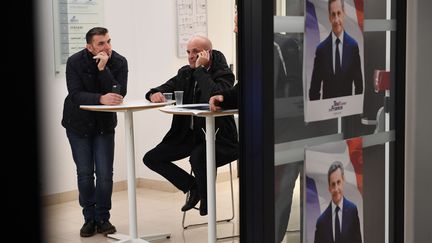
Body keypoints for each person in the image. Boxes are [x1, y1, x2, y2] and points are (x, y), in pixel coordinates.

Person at [143, 35, 238, 216]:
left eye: (195, 52)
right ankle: (192, 187)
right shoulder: (185, 73)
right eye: (188, 52)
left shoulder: (223, 73)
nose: (191, 56)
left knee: (199, 155)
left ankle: (206, 202)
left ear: (207, 53)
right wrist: (154, 93)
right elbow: (164, 87)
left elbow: (217, 95)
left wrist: (201, 70)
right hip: (188, 136)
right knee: (152, 158)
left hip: (220, 138)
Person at [61, 27, 128, 237]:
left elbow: (119, 93)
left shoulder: (119, 61)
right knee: (85, 174)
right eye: (101, 44)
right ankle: (89, 218)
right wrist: (100, 98)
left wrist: (103, 69)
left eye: (108, 41)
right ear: (89, 46)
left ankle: (103, 217)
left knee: (105, 174)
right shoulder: (74, 62)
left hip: (104, 126)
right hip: (78, 125)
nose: (107, 47)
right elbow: (75, 94)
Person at [309, 0, 363, 100]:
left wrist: (354, 112)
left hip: (347, 112)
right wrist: (318, 113)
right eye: (333, 15)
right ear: (329, 17)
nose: (336, 19)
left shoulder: (353, 47)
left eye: (339, 13)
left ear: (344, 14)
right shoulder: (321, 50)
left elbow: (359, 86)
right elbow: (314, 89)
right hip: (327, 113)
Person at [314, 161, 362, 243]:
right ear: (329, 188)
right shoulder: (321, 222)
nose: (336, 189)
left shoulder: (352, 211)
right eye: (333, 184)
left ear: (343, 181)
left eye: (338, 182)